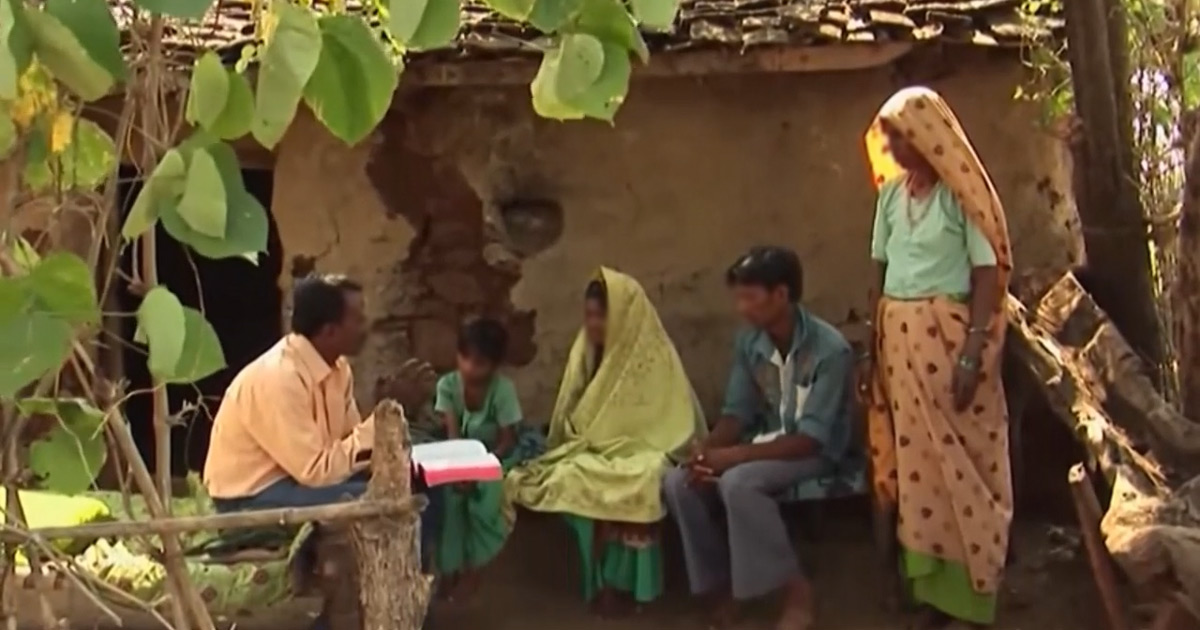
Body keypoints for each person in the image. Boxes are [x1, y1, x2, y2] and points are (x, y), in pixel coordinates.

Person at [202, 273, 442, 627]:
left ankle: (410, 606)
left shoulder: (337, 367)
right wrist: (386, 413)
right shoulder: (280, 378)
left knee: (420, 491)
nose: (366, 324)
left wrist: (387, 414)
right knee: (383, 507)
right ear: (330, 331)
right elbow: (316, 471)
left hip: (299, 479)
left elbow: (346, 446)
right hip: (250, 495)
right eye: (357, 318)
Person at [861, 86, 1013, 629]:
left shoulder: (959, 198)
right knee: (916, 469)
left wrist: (973, 351)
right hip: (899, 346)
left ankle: (971, 597)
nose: (895, 147)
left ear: (929, 137)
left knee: (962, 467)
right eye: (890, 138)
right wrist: (872, 346)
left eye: (903, 136)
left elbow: (987, 273)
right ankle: (931, 595)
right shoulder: (890, 198)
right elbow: (880, 273)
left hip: (949, 342)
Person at [662, 246, 854, 630]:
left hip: (815, 452)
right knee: (678, 480)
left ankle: (795, 591)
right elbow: (737, 412)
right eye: (739, 298)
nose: (742, 309)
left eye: (750, 298)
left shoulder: (831, 350)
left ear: (781, 295)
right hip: (764, 442)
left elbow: (811, 440)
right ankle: (722, 587)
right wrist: (708, 450)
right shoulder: (750, 343)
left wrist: (731, 458)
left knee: (739, 483)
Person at [505, 268, 706, 616]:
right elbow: (572, 411)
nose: (594, 325)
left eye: (602, 316)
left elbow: (672, 423)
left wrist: (629, 443)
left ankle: (632, 586)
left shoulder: (652, 354)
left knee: (644, 478)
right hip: (594, 446)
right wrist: (582, 441)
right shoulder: (585, 351)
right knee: (571, 475)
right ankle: (598, 582)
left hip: (647, 448)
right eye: (589, 316)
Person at [433, 318, 524, 600]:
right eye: (465, 359)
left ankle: (474, 570)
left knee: (487, 496)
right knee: (448, 497)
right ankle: (448, 571)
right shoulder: (447, 386)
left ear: (494, 365)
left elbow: (507, 440)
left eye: (480, 362)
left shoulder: (503, 390)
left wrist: (481, 469)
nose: (471, 368)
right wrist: (461, 470)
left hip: (495, 456)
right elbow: (452, 435)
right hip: (459, 455)